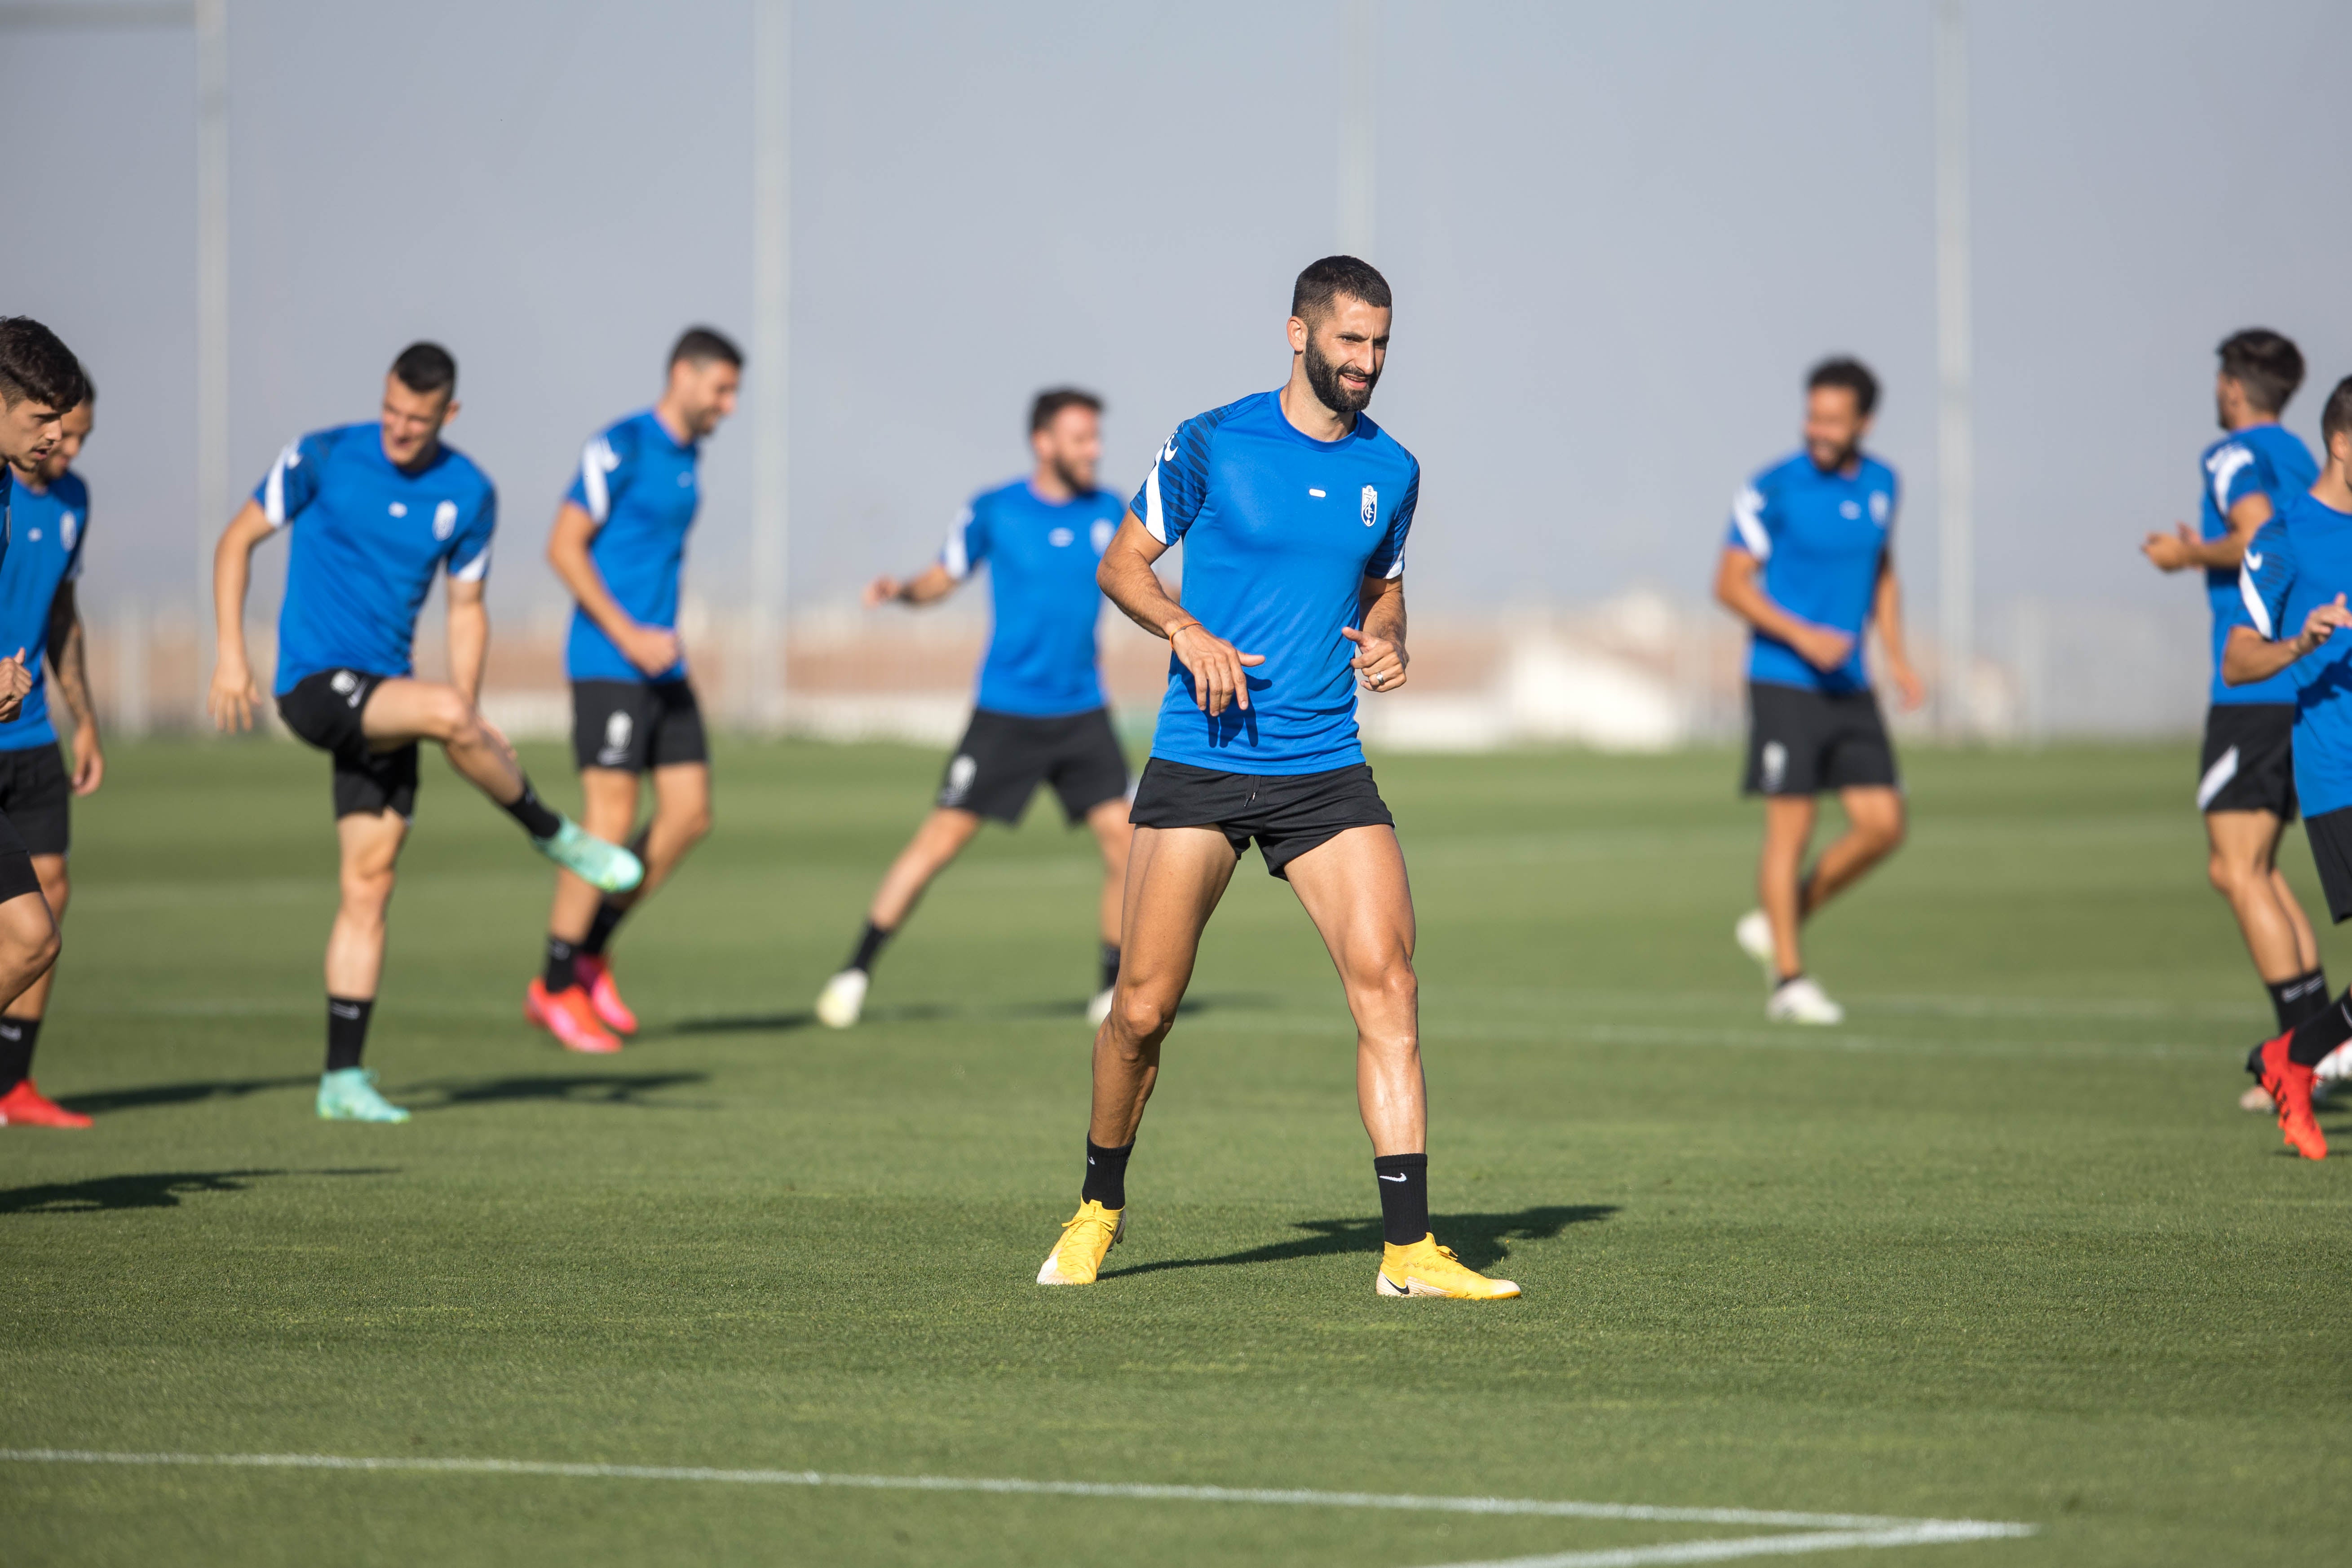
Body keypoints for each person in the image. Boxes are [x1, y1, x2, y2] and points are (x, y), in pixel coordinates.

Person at [1033, 256, 1517, 1300]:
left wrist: (1388, 639)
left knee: (1389, 984)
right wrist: (1187, 629)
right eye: (1350, 342)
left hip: (1321, 767)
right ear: (1296, 335)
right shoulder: (1208, 442)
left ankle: (1406, 1251)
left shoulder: (1393, 470)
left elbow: (1382, 590)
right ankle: (1097, 1207)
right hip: (1200, 759)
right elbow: (1121, 565)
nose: (1368, 363)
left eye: (1381, 344)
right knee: (1141, 1012)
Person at [209, 342, 643, 1123]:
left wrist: (468, 709)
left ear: (451, 413)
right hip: (314, 685)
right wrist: (231, 658)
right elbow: (236, 541)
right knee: (444, 712)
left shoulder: (470, 492)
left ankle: (342, 1080)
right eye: (391, 411)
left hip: (388, 699)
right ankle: (554, 833)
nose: (400, 430)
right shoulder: (323, 455)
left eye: (418, 418)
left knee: (369, 887)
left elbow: (467, 609)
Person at [813, 389, 1133, 1031]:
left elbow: (1145, 584)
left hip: (1083, 713)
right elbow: (944, 576)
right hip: (1006, 714)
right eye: (1080, 438)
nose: (1093, 451)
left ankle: (1109, 991)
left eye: (1097, 438)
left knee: (1127, 847)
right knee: (936, 845)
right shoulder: (995, 510)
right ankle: (854, 974)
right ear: (1043, 443)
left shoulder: (1111, 512)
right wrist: (903, 591)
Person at [525, 328, 740, 1053]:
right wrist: (628, 634)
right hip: (609, 661)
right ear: (684, 374)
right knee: (608, 822)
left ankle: (591, 954)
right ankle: (553, 986)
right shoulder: (619, 445)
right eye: (722, 389)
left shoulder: (688, 458)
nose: (730, 405)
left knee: (689, 814)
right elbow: (563, 544)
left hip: (662, 667)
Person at [2140, 331, 2329, 1103]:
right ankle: (2324, 1040)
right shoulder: (2305, 460)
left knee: (2235, 867)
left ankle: (2304, 1057)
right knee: (2255, 867)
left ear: (2231, 388)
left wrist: (2188, 557)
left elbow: (2255, 537)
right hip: (2307, 683)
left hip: (2253, 689)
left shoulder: (2230, 456)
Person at [1715, 358, 1925, 1024]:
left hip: (1851, 683)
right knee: (1793, 829)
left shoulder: (1885, 485)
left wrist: (1896, 655)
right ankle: (1789, 979)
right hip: (1784, 680)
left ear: (1864, 422)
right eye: (1813, 415)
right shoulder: (1772, 488)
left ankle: (1782, 917)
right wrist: (1803, 637)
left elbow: (1882, 569)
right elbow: (1730, 584)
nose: (1820, 429)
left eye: (1834, 419)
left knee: (1884, 826)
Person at [2225, 374, 2352, 1161]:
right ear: (2342, 443)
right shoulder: (2286, 536)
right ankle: (2295, 1057)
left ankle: (2292, 1055)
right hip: (2340, 774)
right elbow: (2239, 658)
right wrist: (2301, 644)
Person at [0, 380, 103, 1128]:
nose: (64, 448)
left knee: (51, 899)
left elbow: (63, 612)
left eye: (79, 436)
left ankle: (14, 1083)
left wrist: (86, 718)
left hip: (33, 729)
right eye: (55, 430)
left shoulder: (76, 503)